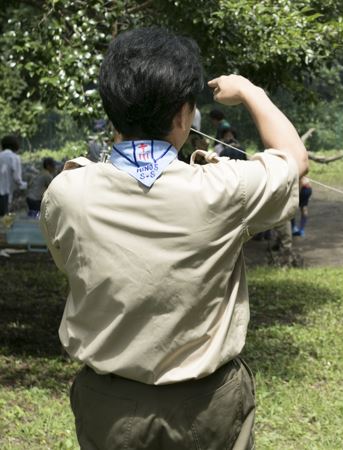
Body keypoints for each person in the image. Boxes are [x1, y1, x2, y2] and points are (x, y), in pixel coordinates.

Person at [40, 27, 308, 450]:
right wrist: (251, 91)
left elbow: (67, 260)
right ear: (185, 115)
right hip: (208, 402)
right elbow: (295, 161)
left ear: (111, 112)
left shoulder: (68, 193)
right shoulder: (225, 188)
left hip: (108, 403)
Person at [0, 135, 27, 216]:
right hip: (5, 195)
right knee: (3, 221)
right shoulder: (15, 158)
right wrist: (25, 185)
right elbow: (17, 178)